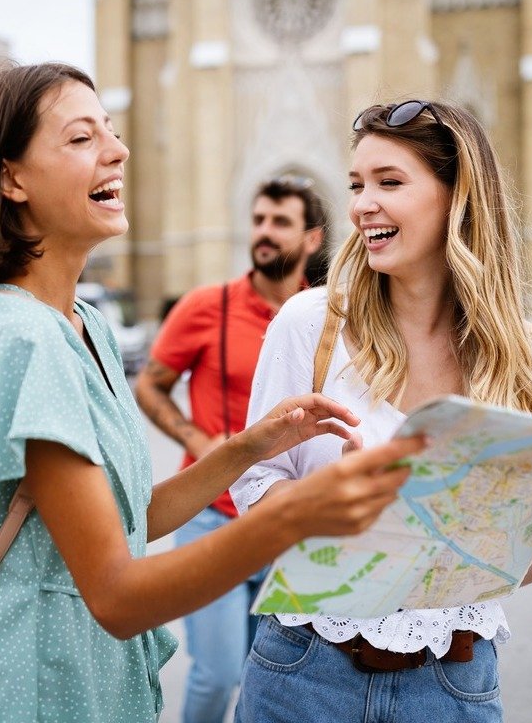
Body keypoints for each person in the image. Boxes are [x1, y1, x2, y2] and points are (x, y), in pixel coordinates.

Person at [0, 62, 426, 723]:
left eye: (112, 131)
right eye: (81, 138)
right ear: (11, 178)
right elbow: (117, 593)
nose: (119, 150)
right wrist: (294, 515)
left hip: (91, 687)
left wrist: (248, 448)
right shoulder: (20, 336)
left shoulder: (81, 325)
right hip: (35, 694)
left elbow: (130, 523)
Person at [230, 99, 532, 723]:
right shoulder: (309, 324)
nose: (361, 204)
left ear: (457, 199)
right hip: (305, 673)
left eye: (389, 182)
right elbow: (253, 482)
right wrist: (332, 506)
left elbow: (495, 566)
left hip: (454, 686)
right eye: (357, 184)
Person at [134, 175, 325, 723]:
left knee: (274, 680)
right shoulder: (205, 306)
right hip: (211, 518)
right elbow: (150, 383)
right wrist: (196, 439)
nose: (265, 233)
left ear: (312, 238)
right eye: (259, 219)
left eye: (281, 222)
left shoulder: (327, 317)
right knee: (218, 674)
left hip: (286, 521)